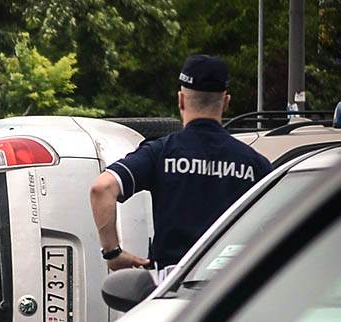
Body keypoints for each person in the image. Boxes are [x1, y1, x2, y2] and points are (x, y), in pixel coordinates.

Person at [90, 54, 272, 273]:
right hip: (231, 287)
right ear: (226, 102)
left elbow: (102, 188)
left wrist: (113, 253)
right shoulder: (255, 165)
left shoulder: (160, 153)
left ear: (181, 100)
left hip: (173, 286)